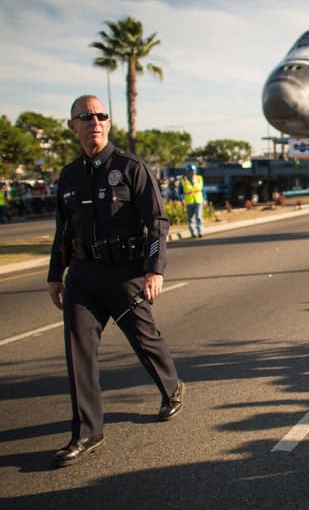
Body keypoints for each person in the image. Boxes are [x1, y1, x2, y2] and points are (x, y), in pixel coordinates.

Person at [47, 95, 185, 468]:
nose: (94, 121)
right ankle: (87, 431)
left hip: (125, 275)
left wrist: (155, 269)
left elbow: (157, 222)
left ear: (108, 123)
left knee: (145, 339)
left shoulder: (130, 167)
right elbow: (63, 231)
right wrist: (55, 275)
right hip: (83, 278)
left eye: (100, 115)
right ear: (72, 126)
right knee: (78, 352)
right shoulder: (69, 176)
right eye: (85, 116)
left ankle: (171, 387)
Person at [179, 163, 205, 238]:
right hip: (189, 202)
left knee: (199, 216)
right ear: (188, 172)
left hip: (199, 200)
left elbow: (203, 190)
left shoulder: (199, 178)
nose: (193, 173)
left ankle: (200, 231)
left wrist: (205, 199)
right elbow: (180, 192)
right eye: (191, 172)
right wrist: (182, 200)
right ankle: (193, 233)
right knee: (190, 218)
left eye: (194, 172)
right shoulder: (183, 180)